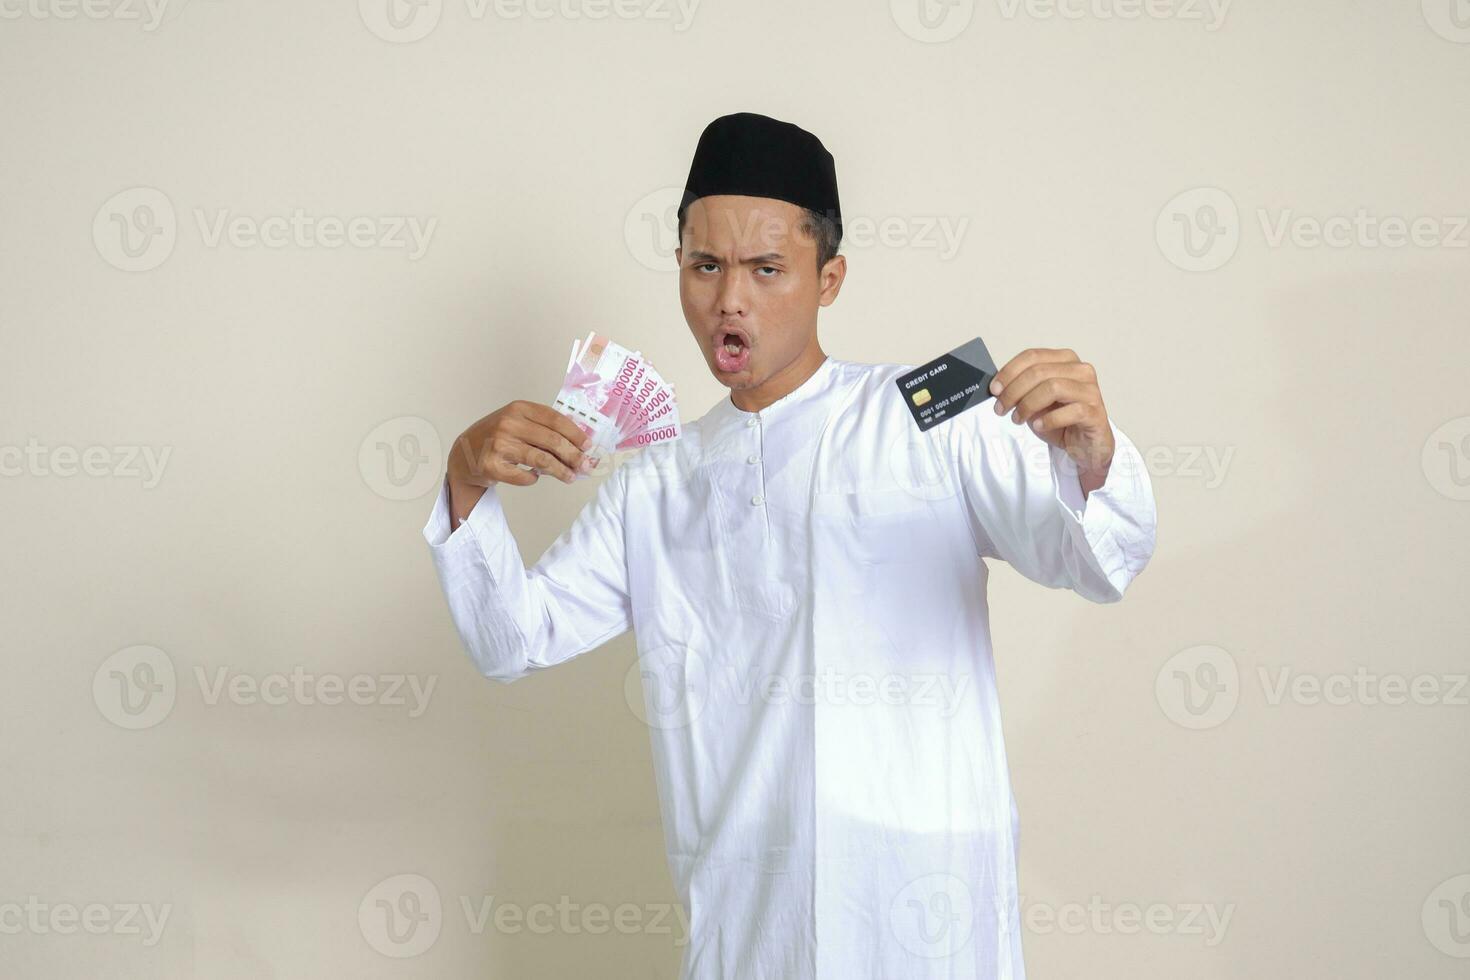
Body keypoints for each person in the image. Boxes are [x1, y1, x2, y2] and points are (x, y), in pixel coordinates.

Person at [423, 111, 1158, 980]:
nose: (729, 299)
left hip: (926, 913)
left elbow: (1097, 559)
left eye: (766, 268)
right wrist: (467, 482)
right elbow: (514, 640)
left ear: (829, 278)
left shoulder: (934, 402)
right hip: (750, 927)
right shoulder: (655, 479)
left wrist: (1094, 456)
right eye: (705, 266)